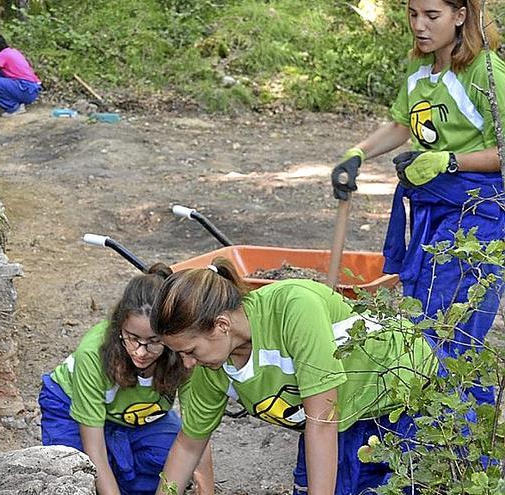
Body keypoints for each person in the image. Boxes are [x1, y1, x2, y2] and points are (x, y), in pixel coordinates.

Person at [330, 0, 504, 403]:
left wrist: (450, 161)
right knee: (420, 313)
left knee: (452, 323)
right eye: (413, 14)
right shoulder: (420, 68)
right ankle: (424, 418)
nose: (420, 26)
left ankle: (460, 426)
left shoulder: (486, 72)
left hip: (479, 214)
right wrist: (356, 153)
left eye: (432, 16)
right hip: (429, 209)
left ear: (460, 15)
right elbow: (400, 124)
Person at [150, 260, 438, 495]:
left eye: (190, 351)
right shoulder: (210, 369)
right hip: (338, 416)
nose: (187, 364)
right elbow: (188, 446)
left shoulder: (294, 309)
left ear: (221, 325)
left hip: (397, 395)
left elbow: (323, 421)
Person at [39, 263, 214, 495]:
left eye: (154, 341)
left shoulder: (185, 354)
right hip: (70, 407)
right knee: (73, 475)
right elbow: (95, 450)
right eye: (132, 338)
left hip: (138, 414)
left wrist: (206, 487)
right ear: (119, 325)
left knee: (171, 461)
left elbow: (198, 432)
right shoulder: (93, 354)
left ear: (171, 337)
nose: (141, 352)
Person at [0, 33, 41, 117]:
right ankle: (18, 103)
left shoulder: (1, 56)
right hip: (33, 89)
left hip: (26, 89)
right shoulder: (13, 51)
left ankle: (13, 108)